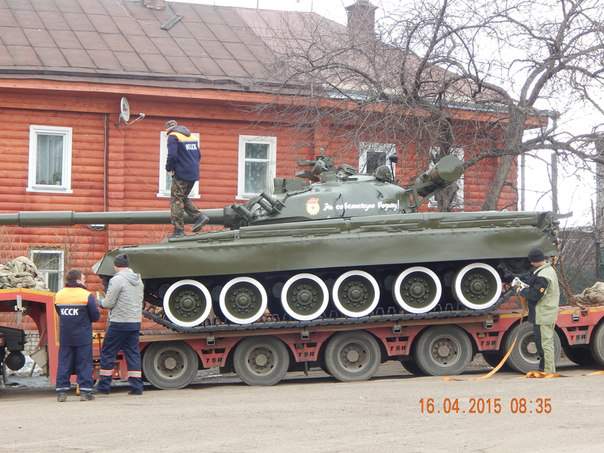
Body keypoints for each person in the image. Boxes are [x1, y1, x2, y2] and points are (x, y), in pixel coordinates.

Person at [96, 254, 145, 395]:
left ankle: (104, 386)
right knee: (133, 353)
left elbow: (109, 303)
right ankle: (137, 387)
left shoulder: (117, 280)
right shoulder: (138, 280)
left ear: (115, 266)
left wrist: (99, 301)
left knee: (108, 352)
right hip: (135, 321)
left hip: (119, 322)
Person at [54, 269, 100, 402]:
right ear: (78, 280)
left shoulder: (59, 295)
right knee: (84, 363)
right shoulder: (86, 295)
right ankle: (85, 392)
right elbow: (95, 316)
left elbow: (59, 312)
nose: (85, 281)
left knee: (64, 362)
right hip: (83, 335)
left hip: (66, 335)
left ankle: (62, 392)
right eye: (84, 279)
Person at [515, 248, 560, 374]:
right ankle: (544, 369)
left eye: (531, 262)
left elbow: (535, 295)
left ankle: (548, 371)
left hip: (544, 314)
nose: (530, 264)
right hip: (544, 313)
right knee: (542, 343)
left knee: (545, 344)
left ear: (534, 261)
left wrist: (521, 290)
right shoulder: (547, 270)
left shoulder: (543, 275)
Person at [165, 119, 209, 238]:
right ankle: (199, 217)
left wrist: (169, 168)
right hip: (193, 173)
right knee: (182, 197)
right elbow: (199, 155)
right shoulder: (190, 137)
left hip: (181, 174)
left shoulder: (173, 136)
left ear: (168, 129)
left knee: (176, 199)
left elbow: (172, 155)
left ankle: (178, 230)